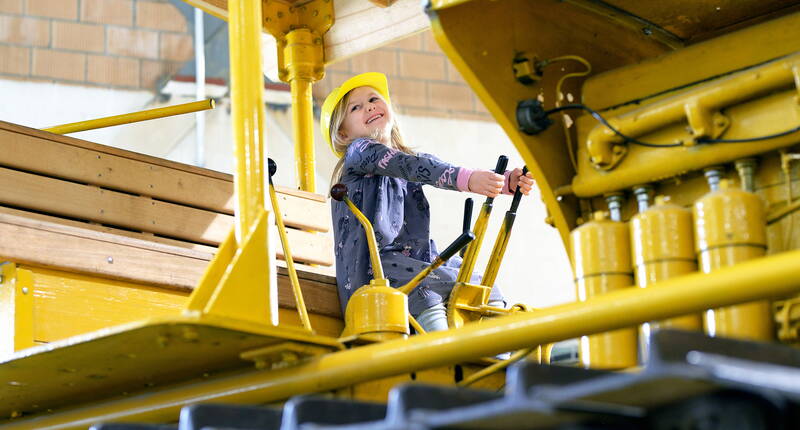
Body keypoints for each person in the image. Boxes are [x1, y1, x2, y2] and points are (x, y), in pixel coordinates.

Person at [320, 72, 533, 333]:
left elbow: (433, 168)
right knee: (424, 284)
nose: (370, 106)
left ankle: (495, 352)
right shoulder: (359, 153)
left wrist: (501, 182)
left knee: (476, 281)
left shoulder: (408, 160)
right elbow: (414, 167)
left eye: (374, 98)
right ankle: (439, 344)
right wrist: (470, 179)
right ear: (343, 134)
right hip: (373, 271)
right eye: (356, 107)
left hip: (415, 261)